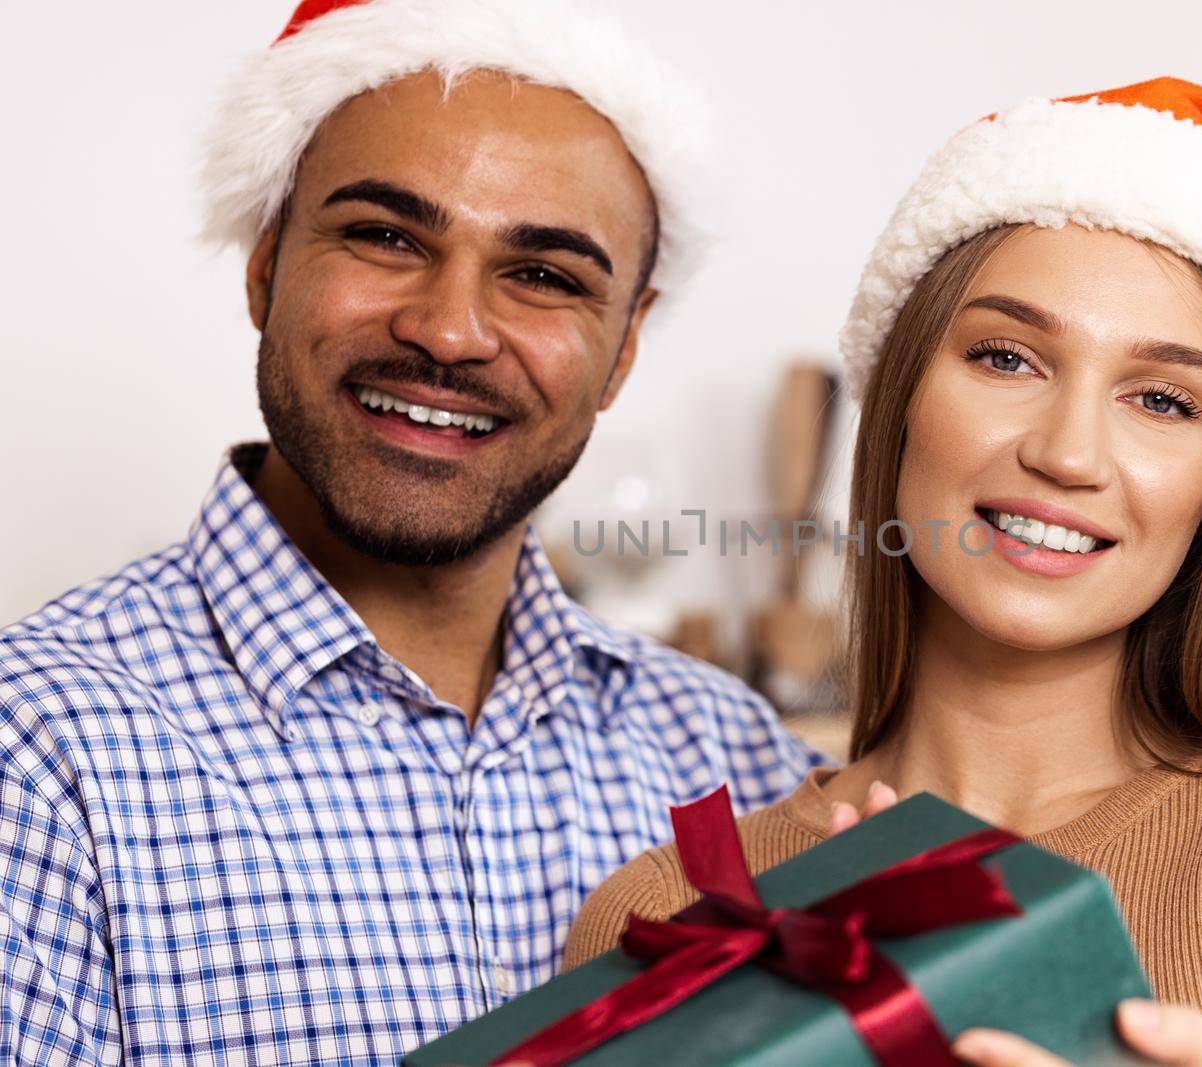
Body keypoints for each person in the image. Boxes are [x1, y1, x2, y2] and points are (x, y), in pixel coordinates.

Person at [562, 79, 1202, 1065]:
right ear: (901, 395)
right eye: (1007, 358)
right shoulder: (669, 913)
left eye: (1162, 400)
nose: (1068, 454)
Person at [0, 2, 825, 1063]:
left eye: (543, 276)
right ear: (265, 268)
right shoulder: (36, 764)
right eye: (386, 236)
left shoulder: (729, 754)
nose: (447, 330)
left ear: (622, 351)